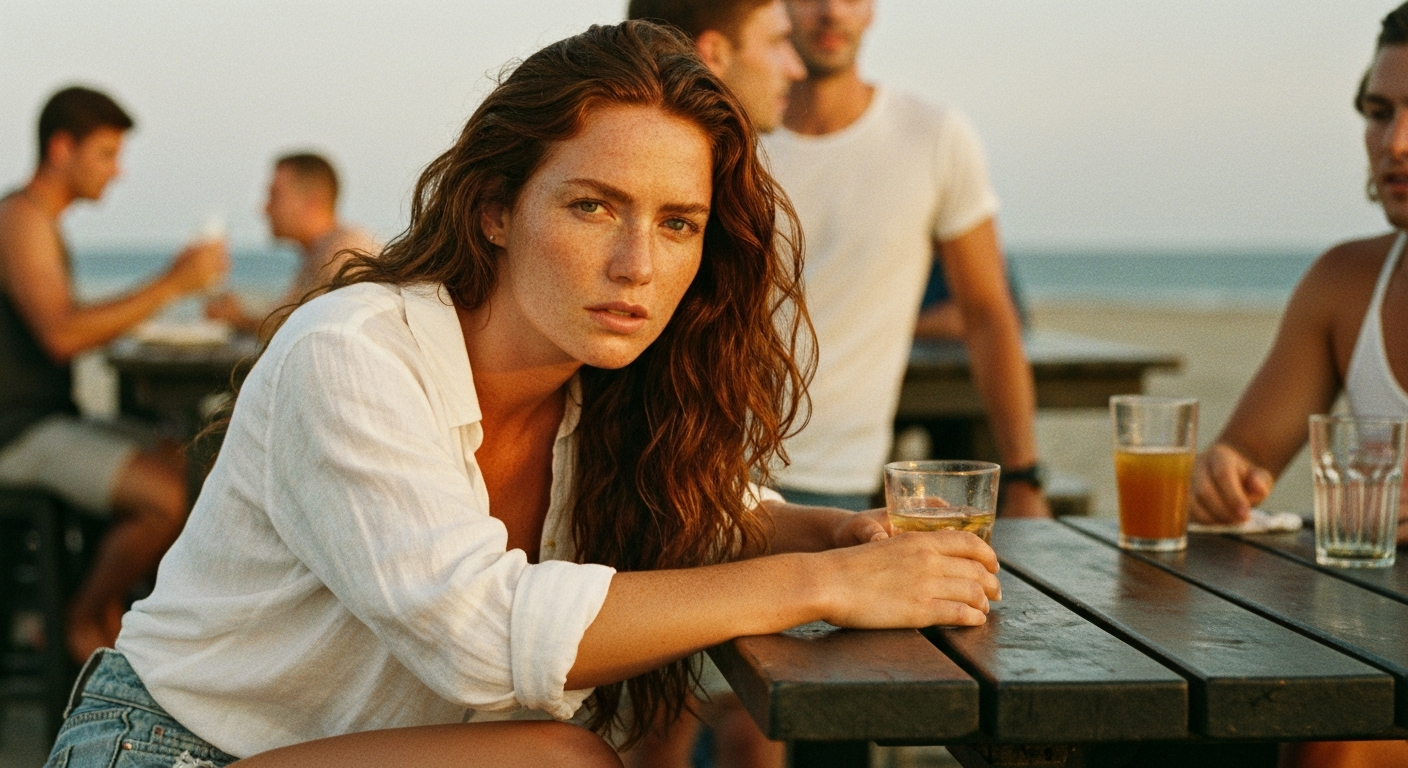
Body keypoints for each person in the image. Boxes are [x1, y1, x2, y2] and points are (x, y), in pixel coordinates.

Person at [44, 22, 1002, 768]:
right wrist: (821, 585)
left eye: (678, 224)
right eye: (593, 207)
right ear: (497, 208)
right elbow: (479, 638)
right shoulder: (356, 353)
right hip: (170, 750)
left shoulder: (604, 392)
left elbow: (714, 511)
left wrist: (839, 536)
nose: (637, 265)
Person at [1191, 4, 1408, 767]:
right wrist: (1218, 479)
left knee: (1333, 734)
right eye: (1379, 113)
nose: (1396, 144)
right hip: (1371, 642)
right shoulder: (1347, 283)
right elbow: (1241, 455)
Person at [765, 0, 1049, 517]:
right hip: (703, 465)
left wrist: (1025, 478)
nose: (830, 12)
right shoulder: (733, 131)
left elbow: (988, 313)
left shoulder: (932, 136)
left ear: (872, 9)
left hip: (834, 479)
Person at [0, 86, 228, 663]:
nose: (117, 170)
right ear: (61, 147)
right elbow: (61, 334)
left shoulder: (38, 220)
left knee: (188, 459)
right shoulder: (19, 219)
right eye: (106, 153)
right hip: (16, 434)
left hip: (47, 420)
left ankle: (118, 614)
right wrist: (172, 284)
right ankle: (80, 619)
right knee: (171, 495)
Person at [205, 152, 378, 336]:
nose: (264, 208)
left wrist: (239, 319)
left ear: (312, 202)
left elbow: (307, 328)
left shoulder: (343, 251)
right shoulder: (321, 252)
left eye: (275, 195)